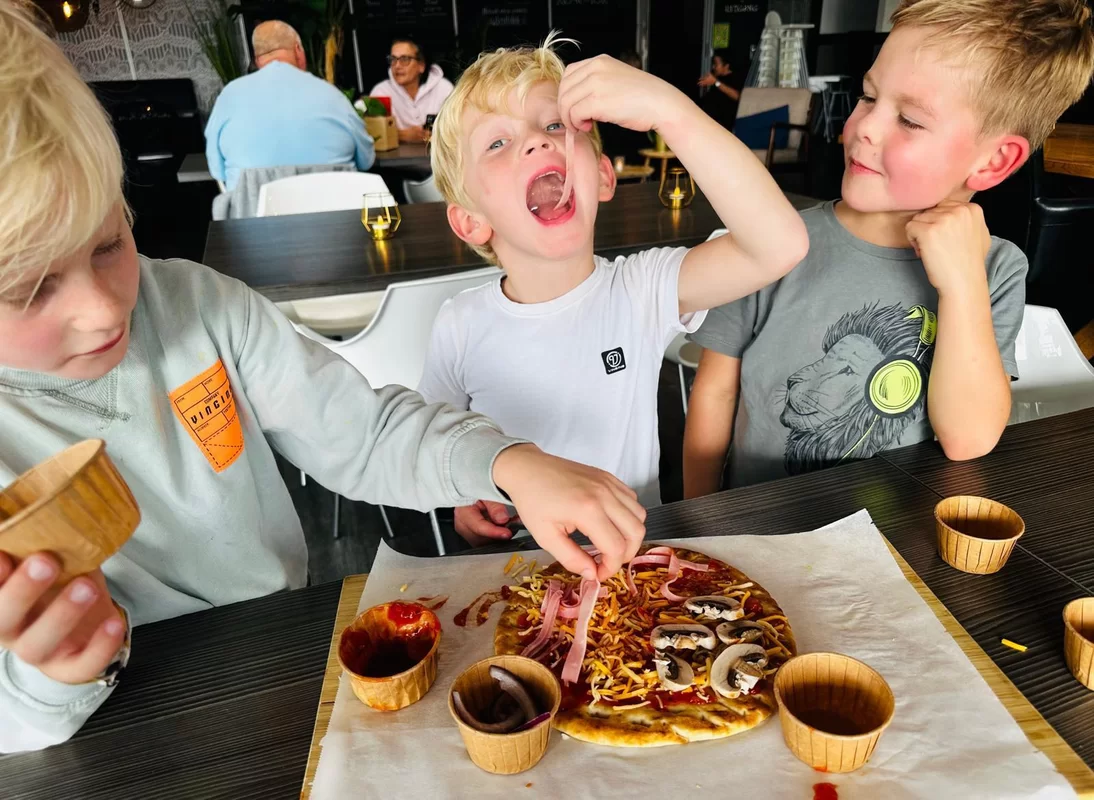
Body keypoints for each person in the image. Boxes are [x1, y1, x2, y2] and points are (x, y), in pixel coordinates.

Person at [0, 3, 647, 753]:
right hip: (103, 737)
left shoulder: (202, 307)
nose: (102, 308)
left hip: (285, 652)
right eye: (31, 288)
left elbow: (362, 433)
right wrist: (46, 681)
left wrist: (509, 462)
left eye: (110, 242)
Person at [682, 0, 1094, 496]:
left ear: (992, 162)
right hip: (761, 522)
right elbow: (715, 392)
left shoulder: (996, 269)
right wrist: (697, 517)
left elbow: (967, 440)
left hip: (896, 531)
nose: (865, 127)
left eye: (911, 120)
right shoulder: (769, 242)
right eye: (868, 96)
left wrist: (962, 284)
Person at [419, 34, 809, 546]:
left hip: (633, 559)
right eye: (497, 142)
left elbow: (778, 245)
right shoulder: (460, 323)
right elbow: (435, 444)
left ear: (604, 177)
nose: (537, 141)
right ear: (470, 222)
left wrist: (670, 109)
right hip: (515, 558)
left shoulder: (641, 289)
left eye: (555, 125)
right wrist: (461, 497)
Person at [204, 20, 374, 191]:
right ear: (298, 50)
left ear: (257, 60)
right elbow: (366, 160)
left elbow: (217, 170)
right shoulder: (332, 95)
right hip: (334, 206)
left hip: (252, 208)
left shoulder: (229, 96)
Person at [369, 35, 454, 144]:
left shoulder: (444, 89)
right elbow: (372, 134)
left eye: (404, 59)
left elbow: (459, 129)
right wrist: (402, 135)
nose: (397, 66)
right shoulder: (381, 92)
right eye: (393, 59)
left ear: (421, 65)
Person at [698, 49, 742, 131]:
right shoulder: (717, 78)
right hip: (710, 125)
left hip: (724, 128)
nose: (713, 67)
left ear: (726, 66)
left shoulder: (735, 78)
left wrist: (716, 82)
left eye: (716, 64)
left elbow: (737, 96)